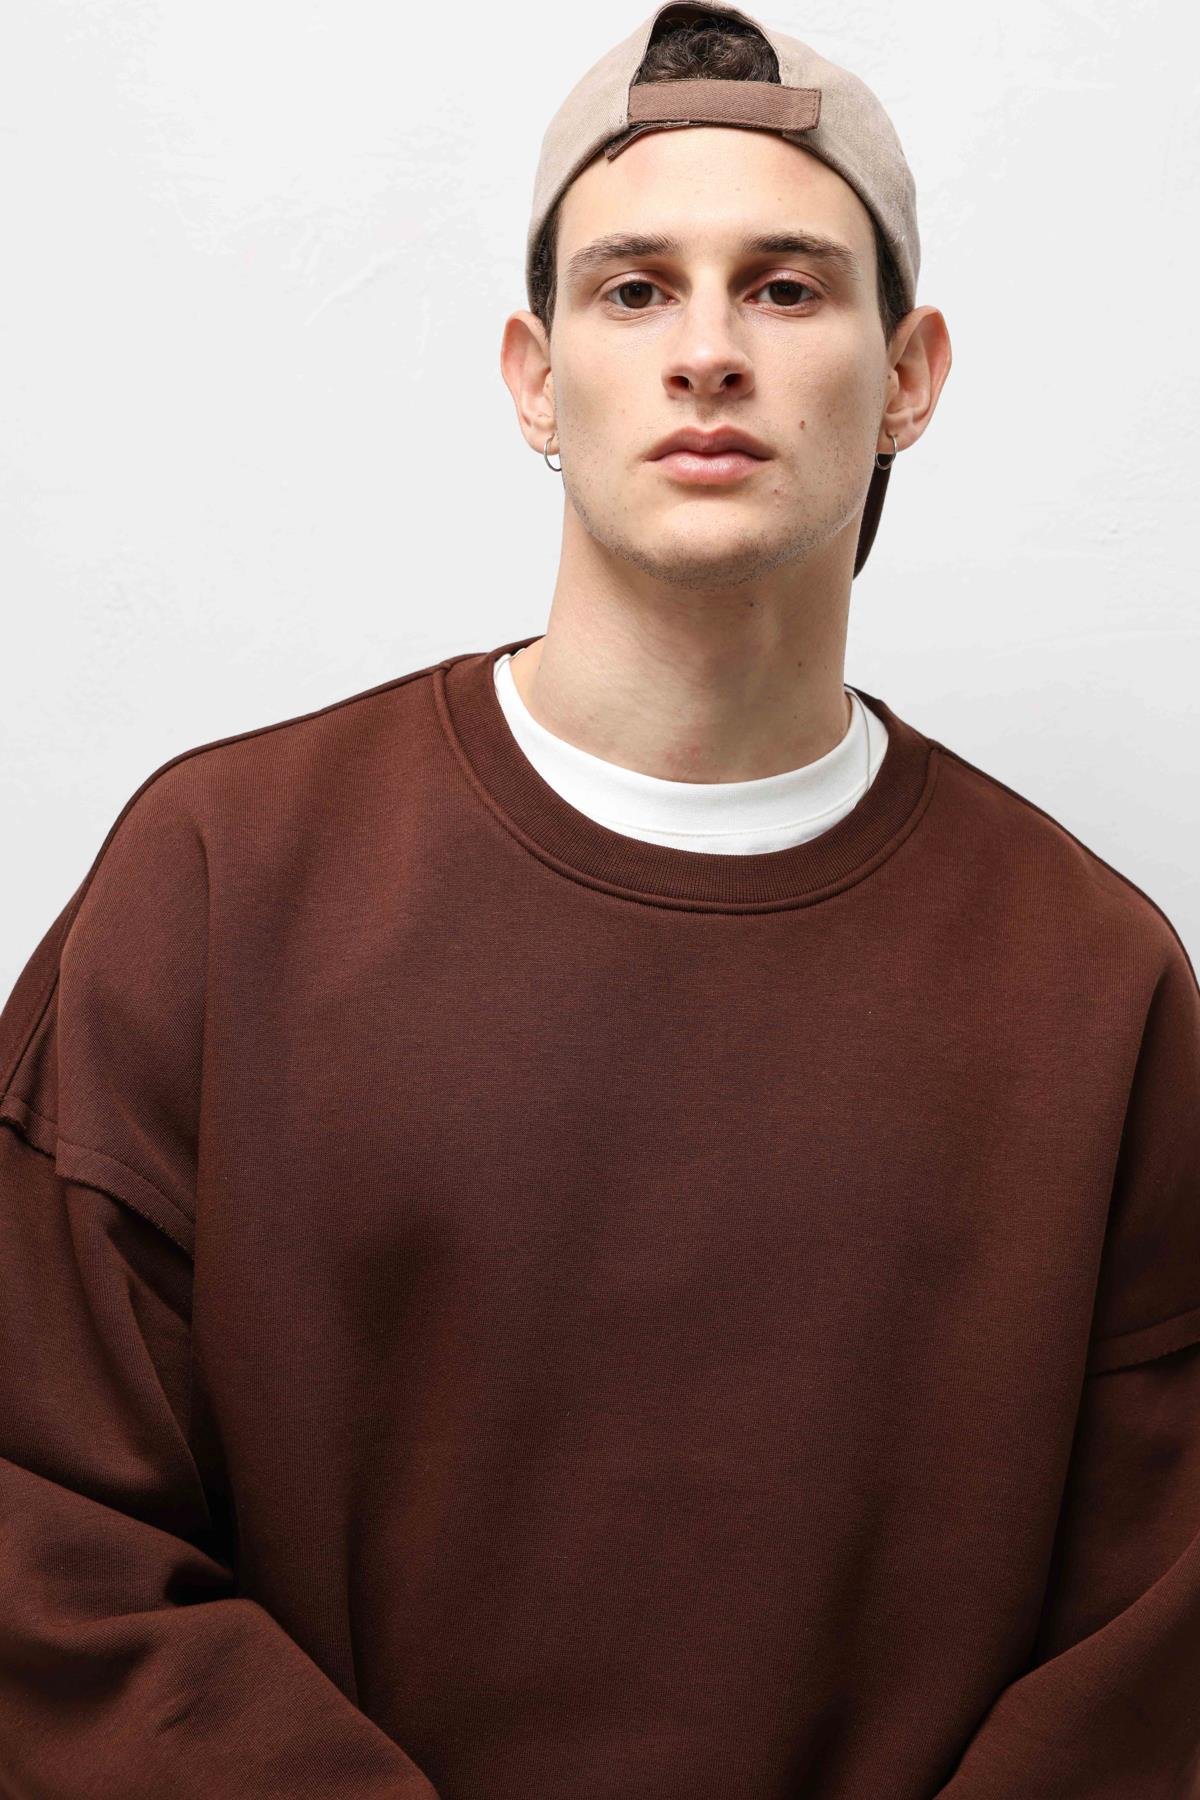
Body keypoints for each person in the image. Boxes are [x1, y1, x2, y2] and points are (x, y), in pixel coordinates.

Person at [1, 4, 1197, 1795]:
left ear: (911, 372)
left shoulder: (1095, 982)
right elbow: (41, 1528)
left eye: (785, 288)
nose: (708, 352)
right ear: (536, 376)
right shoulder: (221, 878)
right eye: (635, 290)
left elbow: (1154, 1650)